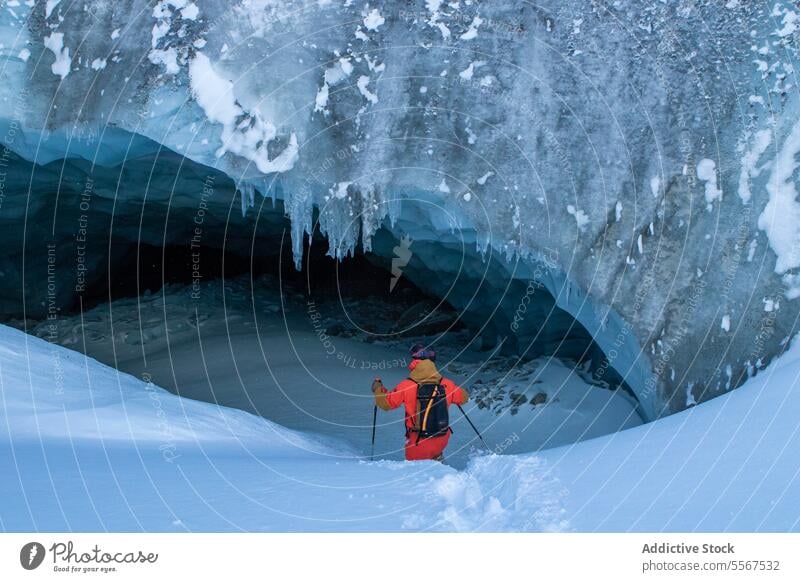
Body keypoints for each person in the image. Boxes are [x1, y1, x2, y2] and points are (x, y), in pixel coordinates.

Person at [372, 344, 469, 462]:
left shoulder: (407, 385)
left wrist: (378, 388)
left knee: (417, 477)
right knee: (437, 470)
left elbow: (385, 404)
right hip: (441, 439)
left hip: (417, 442)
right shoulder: (446, 383)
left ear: (415, 361)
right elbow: (464, 398)